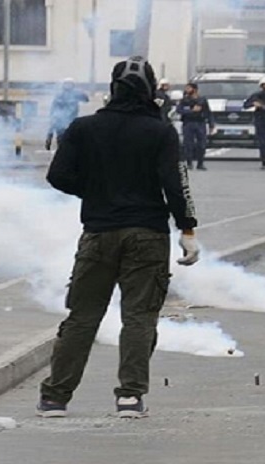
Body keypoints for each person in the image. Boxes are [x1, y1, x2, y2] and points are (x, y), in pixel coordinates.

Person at [39, 56, 201, 419]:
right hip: (148, 235)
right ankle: (130, 396)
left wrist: (94, 192)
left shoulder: (83, 128)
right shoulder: (160, 132)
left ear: (112, 89)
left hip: (98, 234)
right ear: (150, 90)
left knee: (82, 318)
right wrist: (187, 230)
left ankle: (56, 398)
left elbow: (58, 175)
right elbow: (177, 185)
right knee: (139, 318)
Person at [176, 82, 215, 171]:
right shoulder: (184, 100)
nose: (187, 90)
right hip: (188, 123)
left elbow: (208, 113)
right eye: (186, 88)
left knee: (202, 144)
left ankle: (200, 163)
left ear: (195, 89)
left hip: (200, 123)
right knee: (188, 144)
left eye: (189, 88)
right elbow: (179, 110)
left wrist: (211, 124)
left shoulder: (202, 100)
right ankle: (189, 163)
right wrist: (191, 111)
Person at [45, 78, 89, 150]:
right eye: (66, 84)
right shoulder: (60, 95)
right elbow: (54, 107)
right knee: (60, 136)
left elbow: (86, 99)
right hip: (60, 119)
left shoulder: (76, 94)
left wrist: (82, 93)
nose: (68, 86)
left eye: (70, 84)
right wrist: (53, 117)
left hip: (71, 119)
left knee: (70, 137)